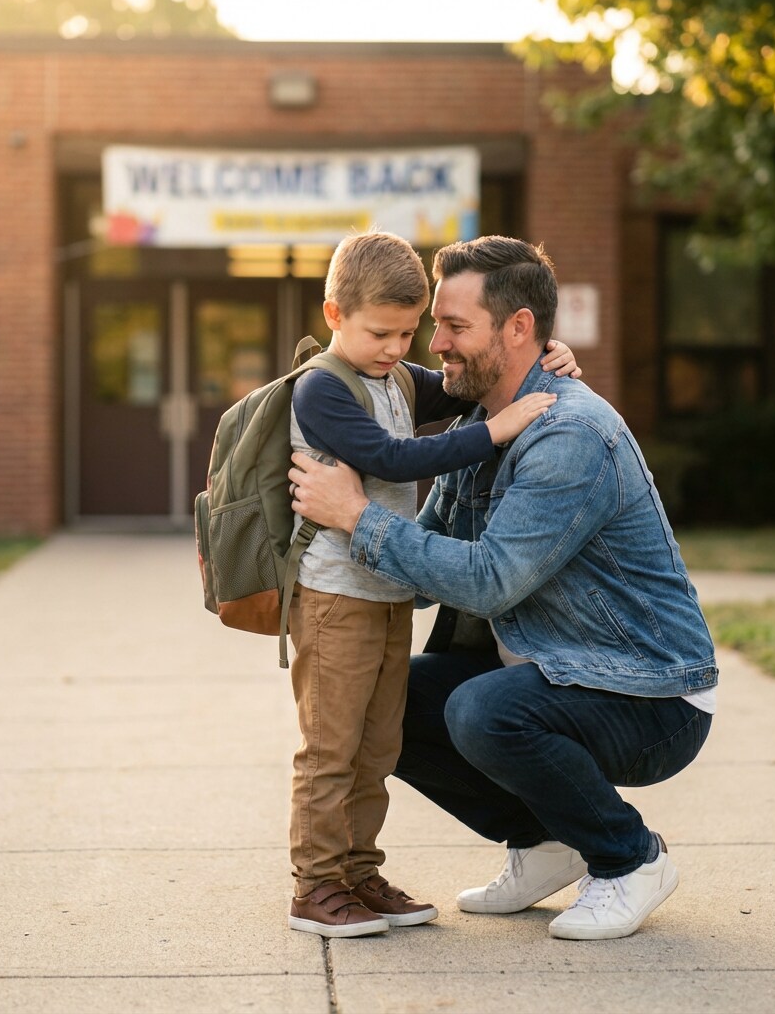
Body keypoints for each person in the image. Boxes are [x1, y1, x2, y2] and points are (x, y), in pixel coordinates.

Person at [289, 235, 718, 942]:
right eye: (435, 326)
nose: (434, 345)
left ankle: (629, 859)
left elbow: (486, 583)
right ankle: (546, 844)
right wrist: (343, 543)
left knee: (484, 712)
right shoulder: (480, 421)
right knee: (391, 697)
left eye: (454, 328)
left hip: (650, 692)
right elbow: (428, 567)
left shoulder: (568, 433)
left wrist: (358, 516)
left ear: (519, 328)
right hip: (554, 663)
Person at [285, 231, 581, 939]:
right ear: (334, 315)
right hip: (334, 601)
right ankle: (315, 886)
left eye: (408, 332)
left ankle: (358, 872)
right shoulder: (323, 386)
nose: (397, 348)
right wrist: (499, 429)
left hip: (385, 595)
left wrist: (547, 359)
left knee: (378, 745)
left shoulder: (392, 378)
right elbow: (393, 454)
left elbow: (464, 388)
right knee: (332, 748)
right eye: (378, 332)